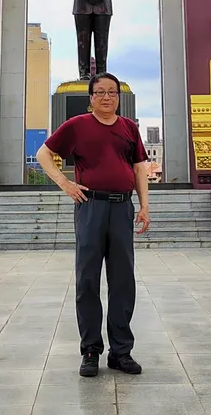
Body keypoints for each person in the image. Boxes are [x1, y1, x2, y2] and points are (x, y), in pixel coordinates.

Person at [36, 72, 150, 379]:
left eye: (112, 92)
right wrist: (64, 183)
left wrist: (144, 206)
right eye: (100, 92)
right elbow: (43, 153)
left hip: (122, 207)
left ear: (118, 97)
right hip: (91, 206)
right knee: (87, 279)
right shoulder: (77, 125)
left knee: (123, 280)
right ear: (91, 97)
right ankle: (90, 350)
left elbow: (139, 167)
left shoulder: (129, 128)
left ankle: (121, 352)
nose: (107, 97)